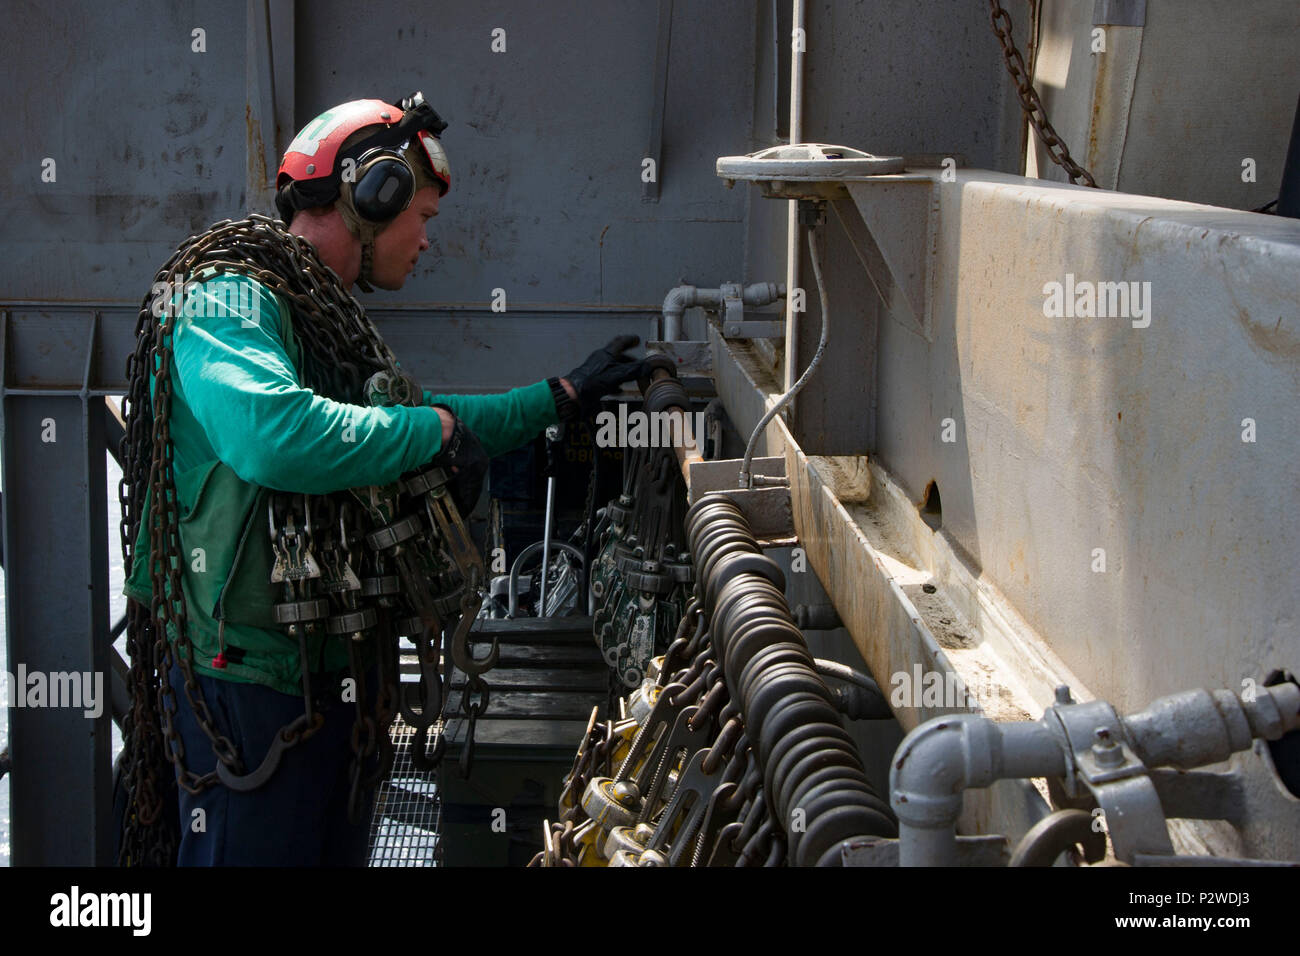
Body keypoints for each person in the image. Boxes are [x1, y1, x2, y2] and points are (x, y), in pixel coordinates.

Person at [118, 92, 643, 866]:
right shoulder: (225, 300)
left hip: (330, 680)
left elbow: (423, 418)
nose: (427, 241)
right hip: (252, 695)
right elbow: (274, 435)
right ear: (374, 194)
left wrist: (557, 398)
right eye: (422, 217)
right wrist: (427, 432)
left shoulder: (315, 317)